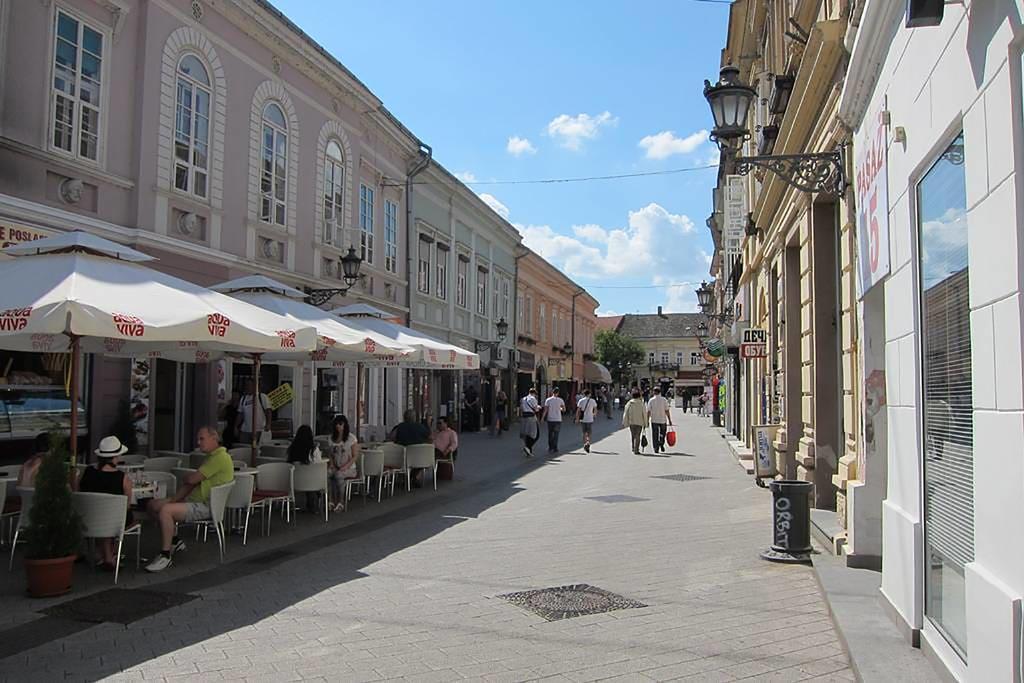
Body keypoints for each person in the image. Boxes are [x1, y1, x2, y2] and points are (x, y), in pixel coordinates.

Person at [145, 426, 233, 573]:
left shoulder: (220, 458)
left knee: (166, 510)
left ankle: (165, 555)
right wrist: (173, 499)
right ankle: (175, 541)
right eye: (198, 439)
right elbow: (191, 483)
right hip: (195, 501)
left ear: (214, 438)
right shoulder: (212, 457)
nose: (199, 442)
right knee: (153, 505)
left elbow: (192, 480)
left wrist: (173, 500)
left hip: (206, 506)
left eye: (202, 438)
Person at [78, 436, 135, 571]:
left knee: (103, 514)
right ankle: (109, 556)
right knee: (120, 516)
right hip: (113, 521)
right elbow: (127, 505)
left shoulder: (88, 472)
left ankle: (101, 554)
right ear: (117, 456)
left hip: (89, 518)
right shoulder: (122, 478)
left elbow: (79, 490)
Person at [390, 409, 431, 487]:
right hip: (419, 458)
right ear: (414, 417)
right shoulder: (420, 426)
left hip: (401, 456)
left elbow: (392, 437)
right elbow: (429, 436)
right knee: (422, 460)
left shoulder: (400, 427)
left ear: (404, 417)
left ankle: (409, 477)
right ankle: (413, 477)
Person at [327, 415, 359, 512]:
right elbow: (330, 454)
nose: (338, 426)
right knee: (327, 474)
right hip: (336, 465)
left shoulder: (351, 438)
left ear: (345, 425)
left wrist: (346, 466)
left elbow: (355, 456)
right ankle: (330, 500)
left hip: (349, 468)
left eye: (340, 424)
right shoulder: (331, 438)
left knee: (339, 475)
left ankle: (341, 501)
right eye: (336, 424)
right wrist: (331, 464)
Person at [287, 425, 323, 511]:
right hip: (311, 482)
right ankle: (319, 502)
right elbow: (319, 463)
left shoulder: (292, 449)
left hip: (295, 481)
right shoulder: (314, 450)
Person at [236, 379, 271, 447]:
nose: (248, 387)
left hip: (259, 429)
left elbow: (268, 411)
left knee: (257, 449)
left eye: (250, 385)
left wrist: (268, 424)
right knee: (244, 448)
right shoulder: (243, 398)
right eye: (247, 385)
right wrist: (236, 426)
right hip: (245, 430)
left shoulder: (262, 396)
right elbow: (240, 414)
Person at [622, 388, 649, 454]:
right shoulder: (641, 403)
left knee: (633, 435)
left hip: (632, 422)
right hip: (639, 422)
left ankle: (633, 448)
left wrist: (624, 422)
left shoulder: (629, 403)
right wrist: (646, 423)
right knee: (637, 436)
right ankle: (636, 449)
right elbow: (644, 414)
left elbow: (625, 413)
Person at [647, 387, 673, 453]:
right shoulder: (664, 400)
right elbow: (667, 410)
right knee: (662, 433)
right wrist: (669, 419)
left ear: (654, 392)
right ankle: (661, 442)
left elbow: (649, 411)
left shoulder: (651, 400)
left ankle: (656, 448)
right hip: (663, 420)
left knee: (655, 434)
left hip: (654, 420)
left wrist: (647, 420)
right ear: (660, 392)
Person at [541, 387, 566, 455]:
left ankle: (550, 447)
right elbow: (564, 410)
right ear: (558, 393)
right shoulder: (561, 400)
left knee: (550, 433)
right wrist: (560, 408)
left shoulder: (548, 400)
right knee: (556, 434)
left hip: (550, 419)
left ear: (552, 392)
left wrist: (542, 418)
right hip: (558, 419)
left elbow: (545, 410)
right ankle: (555, 447)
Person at [519, 387, 541, 457]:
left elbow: (521, 408)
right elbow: (536, 409)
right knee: (536, 435)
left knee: (527, 434)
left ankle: (529, 451)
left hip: (524, 417)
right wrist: (539, 407)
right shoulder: (533, 399)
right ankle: (528, 447)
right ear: (534, 393)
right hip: (531, 417)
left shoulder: (523, 399)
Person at [575, 389, 598, 453]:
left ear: (584, 394)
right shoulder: (593, 401)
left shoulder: (581, 401)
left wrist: (577, 418)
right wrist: (594, 415)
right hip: (590, 419)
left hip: (583, 419)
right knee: (589, 432)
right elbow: (595, 409)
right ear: (589, 394)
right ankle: (588, 443)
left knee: (584, 432)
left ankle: (585, 443)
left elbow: (578, 411)